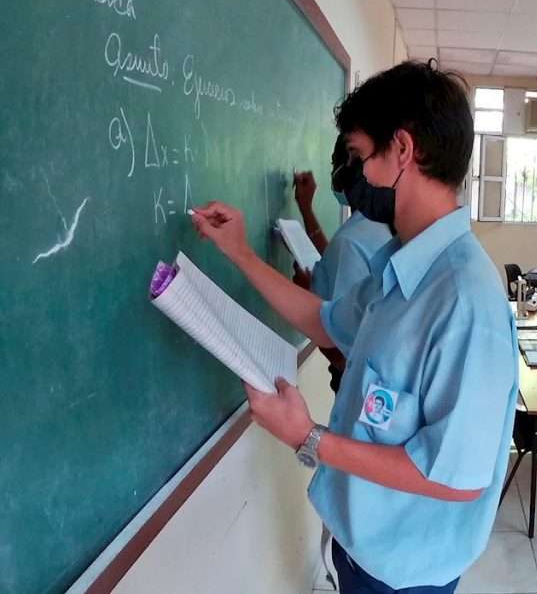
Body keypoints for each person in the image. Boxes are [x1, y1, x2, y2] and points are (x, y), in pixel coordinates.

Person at [190, 60, 518, 592]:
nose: (357, 176)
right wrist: (241, 255)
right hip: (361, 544)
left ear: (403, 152)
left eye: (362, 157)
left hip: (403, 571)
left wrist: (308, 437)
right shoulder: (403, 264)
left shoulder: (464, 302)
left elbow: (454, 477)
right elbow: (324, 322)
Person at [292, 137, 392, 392]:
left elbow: (345, 359)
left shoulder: (352, 239)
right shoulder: (382, 224)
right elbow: (340, 261)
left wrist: (304, 300)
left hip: (356, 387)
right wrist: (306, 209)